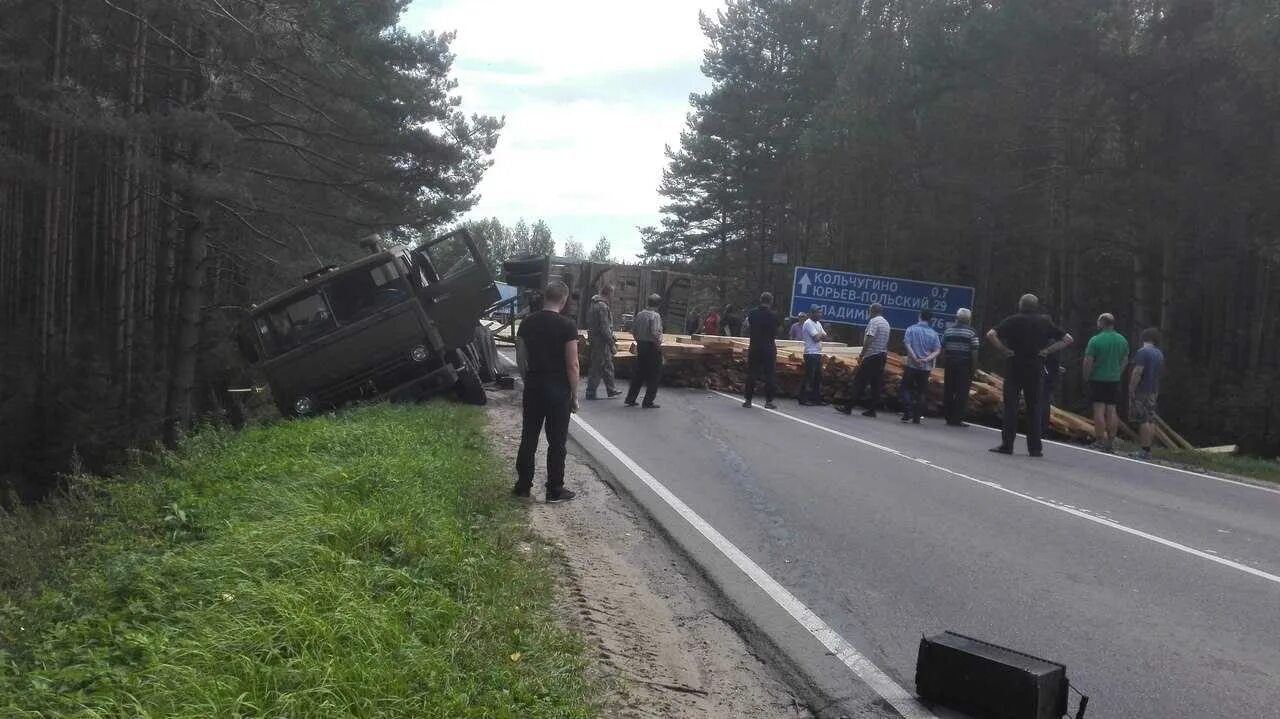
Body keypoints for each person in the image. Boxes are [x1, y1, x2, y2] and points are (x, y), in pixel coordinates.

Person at [513, 281, 579, 503]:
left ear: (544, 298)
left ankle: (523, 485)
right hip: (558, 390)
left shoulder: (527, 323)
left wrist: (527, 378)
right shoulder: (568, 326)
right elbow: (573, 364)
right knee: (557, 442)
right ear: (563, 299)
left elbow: (521, 357)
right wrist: (574, 395)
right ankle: (554, 489)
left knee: (529, 437)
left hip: (533, 386)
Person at [986, 293, 1074, 457]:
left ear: (1021, 305)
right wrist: (1047, 350)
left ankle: (1007, 444)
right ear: (1036, 306)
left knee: (1010, 407)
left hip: (1015, 365)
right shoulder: (1044, 322)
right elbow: (1068, 339)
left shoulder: (1012, 320)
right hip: (1035, 366)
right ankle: (1035, 447)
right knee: (1034, 407)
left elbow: (991, 334)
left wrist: (1004, 350)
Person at [834, 302, 891, 417]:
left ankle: (848, 407)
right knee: (876, 384)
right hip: (882, 355)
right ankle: (872, 409)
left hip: (871, 356)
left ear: (872, 311)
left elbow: (869, 338)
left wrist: (862, 354)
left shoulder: (874, 322)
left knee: (859, 382)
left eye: (869, 311)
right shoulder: (886, 323)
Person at [1083, 313, 1129, 452]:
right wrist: (1118, 372)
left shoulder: (1096, 340)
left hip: (1098, 378)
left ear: (1102, 323)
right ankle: (1111, 440)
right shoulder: (1122, 340)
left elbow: (1088, 360)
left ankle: (1099, 440)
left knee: (1099, 409)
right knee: (1111, 409)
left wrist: (1086, 375)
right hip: (1114, 379)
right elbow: (1125, 360)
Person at [1128, 327, 1165, 460]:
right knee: (1150, 419)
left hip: (1142, 390)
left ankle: (1144, 450)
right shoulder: (1159, 353)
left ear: (1143, 338)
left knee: (1142, 419)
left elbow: (1138, 371)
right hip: (1153, 390)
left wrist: (1132, 387)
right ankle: (1148, 448)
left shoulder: (1142, 352)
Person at [899, 310, 941, 424]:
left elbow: (907, 345)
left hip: (912, 365)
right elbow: (937, 350)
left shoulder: (911, 329)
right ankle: (917, 416)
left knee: (905, 388)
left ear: (920, 317)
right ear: (930, 319)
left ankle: (907, 411)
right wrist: (927, 359)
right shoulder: (934, 334)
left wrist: (914, 357)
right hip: (925, 367)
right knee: (921, 392)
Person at [941, 308, 979, 426]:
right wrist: (974, 367)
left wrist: (944, 362)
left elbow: (942, 348)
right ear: (968, 320)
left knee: (949, 390)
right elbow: (974, 351)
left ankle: (947, 416)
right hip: (964, 364)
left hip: (950, 363)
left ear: (957, 318)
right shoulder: (971, 332)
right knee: (961, 392)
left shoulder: (948, 331)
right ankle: (957, 419)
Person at [626, 293, 664, 409]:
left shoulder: (640, 314)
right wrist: (659, 344)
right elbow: (654, 332)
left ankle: (631, 398)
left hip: (641, 345)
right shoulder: (655, 316)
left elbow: (633, 331)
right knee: (654, 375)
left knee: (639, 373)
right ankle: (648, 401)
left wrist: (638, 340)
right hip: (651, 346)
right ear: (658, 304)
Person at [743, 292, 780, 409]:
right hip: (769, 347)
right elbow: (777, 331)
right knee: (769, 374)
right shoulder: (774, 315)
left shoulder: (752, 313)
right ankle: (769, 401)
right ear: (771, 301)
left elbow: (746, 326)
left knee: (752, 373)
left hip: (755, 346)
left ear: (760, 300)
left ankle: (748, 400)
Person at [585, 284, 622, 400]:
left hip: (597, 339)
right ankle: (591, 392)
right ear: (609, 293)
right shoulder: (602, 306)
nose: (613, 296)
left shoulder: (594, 303)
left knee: (607, 366)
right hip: (601, 341)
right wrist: (612, 344)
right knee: (598, 366)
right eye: (613, 293)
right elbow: (604, 328)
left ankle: (611, 389)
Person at [798, 306, 828, 405]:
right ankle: (803, 399)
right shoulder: (808, 323)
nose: (820, 315)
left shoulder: (818, 323)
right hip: (810, 353)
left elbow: (825, 336)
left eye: (820, 313)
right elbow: (816, 338)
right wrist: (820, 336)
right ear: (811, 313)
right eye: (818, 313)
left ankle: (816, 399)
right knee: (809, 377)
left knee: (818, 377)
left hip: (817, 353)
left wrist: (820, 336)